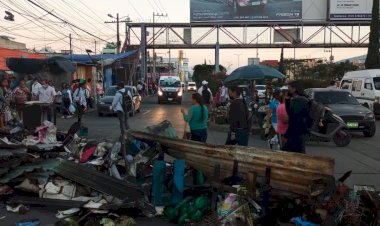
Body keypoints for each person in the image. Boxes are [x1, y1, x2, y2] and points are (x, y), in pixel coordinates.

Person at [283, 81, 310, 154]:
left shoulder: (299, 101)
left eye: (289, 88)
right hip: (300, 132)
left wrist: (287, 135)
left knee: (294, 156)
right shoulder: (299, 99)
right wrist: (287, 100)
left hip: (297, 134)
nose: (288, 90)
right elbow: (290, 113)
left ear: (294, 89)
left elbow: (293, 120)